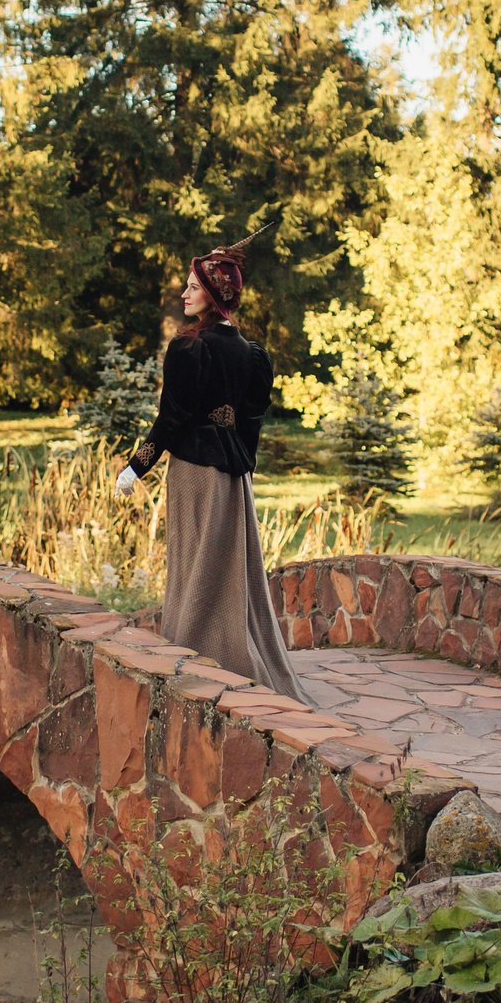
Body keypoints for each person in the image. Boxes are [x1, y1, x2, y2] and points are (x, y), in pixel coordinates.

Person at [113, 244, 307, 702]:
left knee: (191, 563)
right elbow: (251, 424)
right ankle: (220, 652)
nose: (184, 294)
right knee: (223, 566)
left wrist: (135, 467)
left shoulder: (188, 347)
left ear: (214, 295)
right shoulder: (253, 354)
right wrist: (242, 468)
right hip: (234, 478)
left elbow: (170, 419)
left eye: (193, 287)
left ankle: (191, 655)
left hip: (195, 472)